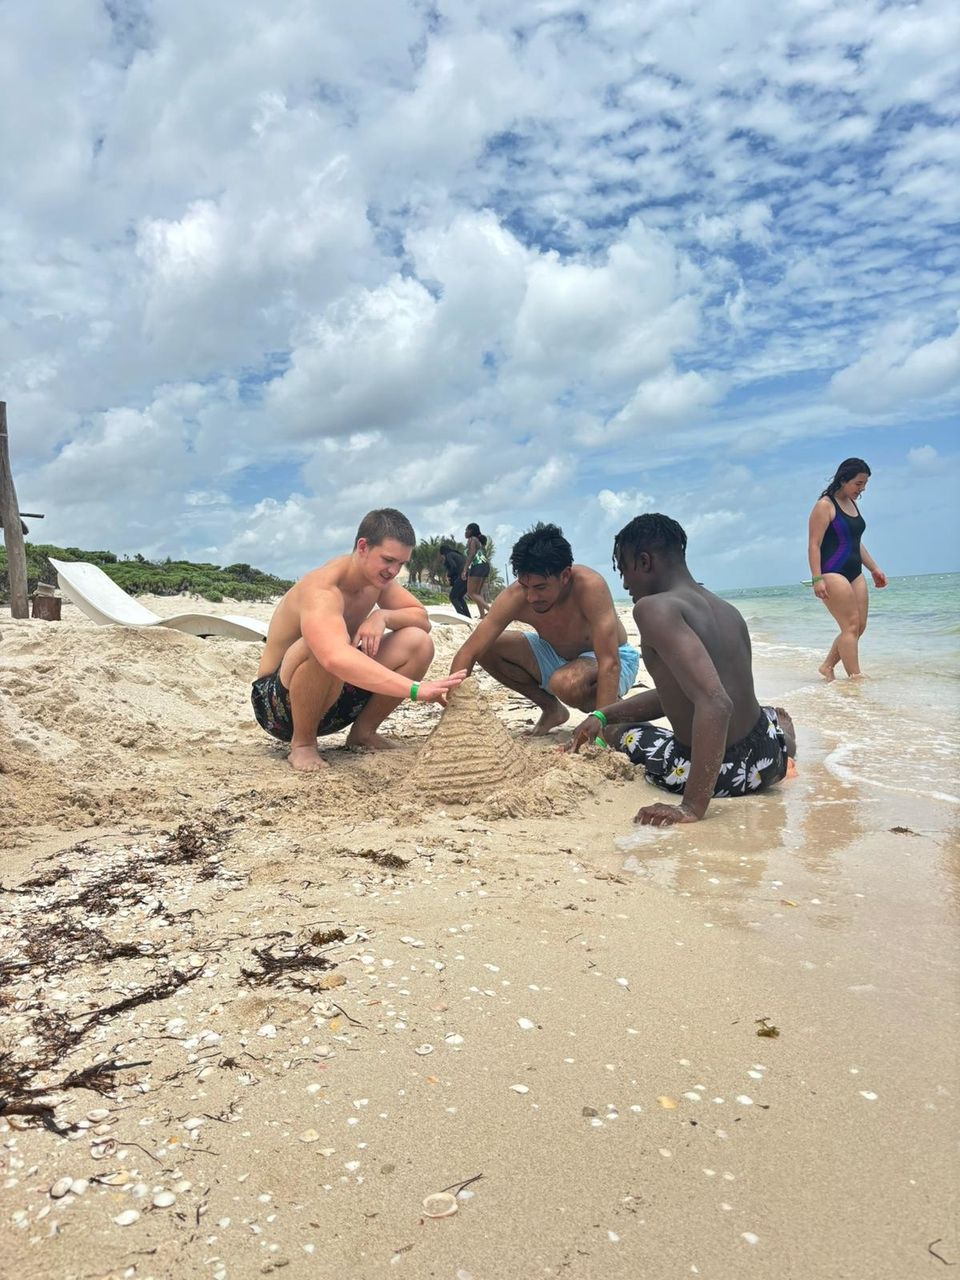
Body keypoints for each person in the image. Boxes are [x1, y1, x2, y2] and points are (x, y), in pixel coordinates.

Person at [570, 514, 796, 826]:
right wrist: (602, 713)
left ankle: (696, 791)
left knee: (616, 734)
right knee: (770, 713)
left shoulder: (653, 608)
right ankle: (788, 745)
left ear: (644, 562)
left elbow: (716, 703)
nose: (625, 584)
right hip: (769, 758)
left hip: (722, 775)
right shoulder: (727, 610)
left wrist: (691, 806)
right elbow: (680, 694)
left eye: (624, 570)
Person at [252, 508, 466, 771]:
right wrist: (415, 689)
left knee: (417, 641)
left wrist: (383, 617)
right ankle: (303, 744)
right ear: (363, 546)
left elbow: (422, 618)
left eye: (401, 564)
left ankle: (363, 733)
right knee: (319, 644)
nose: (393, 571)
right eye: (388, 560)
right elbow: (333, 656)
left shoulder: (376, 581)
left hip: (333, 698)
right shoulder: (322, 588)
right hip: (278, 708)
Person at [449, 522, 640, 736]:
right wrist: (454, 716)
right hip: (553, 654)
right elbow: (469, 651)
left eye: (540, 588)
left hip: (611, 657)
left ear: (565, 576)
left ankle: (612, 716)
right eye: (524, 586)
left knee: (565, 682)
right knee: (489, 648)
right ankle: (552, 710)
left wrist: (600, 731)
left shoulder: (589, 587)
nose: (531, 597)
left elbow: (609, 662)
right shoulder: (515, 596)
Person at [807, 458, 887, 680]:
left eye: (864, 484)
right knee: (850, 625)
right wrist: (816, 579)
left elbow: (854, 542)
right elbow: (814, 544)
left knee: (858, 627)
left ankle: (827, 666)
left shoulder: (852, 503)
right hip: (832, 571)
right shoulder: (825, 505)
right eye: (858, 483)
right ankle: (855, 678)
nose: (861, 489)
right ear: (843, 479)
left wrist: (874, 569)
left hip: (855, 572)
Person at [462, 522, 491, 618]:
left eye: (466, 530)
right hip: (484, 566)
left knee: (471, 593)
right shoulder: (478, 541)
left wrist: (465, 569)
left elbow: (471, 554)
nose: (465, 532)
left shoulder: (472, 539)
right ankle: (482, 615)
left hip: (477, 566)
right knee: (477, 593)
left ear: (471, 531)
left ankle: (492, 612)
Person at [439, 543, 471, 617]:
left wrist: (448, 575)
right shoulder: (456, 554)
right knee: (459, 597)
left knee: (452, 597)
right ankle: (467, 616)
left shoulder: (449, 555)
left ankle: (461, 615)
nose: (443, 558)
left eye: (442, 556)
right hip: (469, 575)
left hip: (463, 576)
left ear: (443, 553)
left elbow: (453, 566)